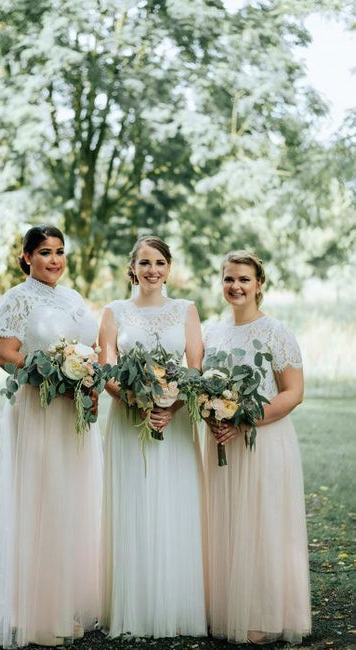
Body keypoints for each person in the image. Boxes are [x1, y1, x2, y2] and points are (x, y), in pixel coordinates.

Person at [0, 225, 102, 648]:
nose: (54, 260)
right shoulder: (17, 298)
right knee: (42, 501)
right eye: (45, 252)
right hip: (38, 408)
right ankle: (37, 614)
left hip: (73, 410)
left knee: (71, 500)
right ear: (27, 257)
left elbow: (90, 348)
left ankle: (64, 603)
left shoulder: (72, 298)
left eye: (59, 252)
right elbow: (5, 355)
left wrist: (87, 376)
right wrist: (52, 373)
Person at [98, 235, 207, 638]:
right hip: (128, 420)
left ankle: (176, 604)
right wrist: (135, 401)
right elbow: (105, 367)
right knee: (135, 503)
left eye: (159, 262)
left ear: (169, 267)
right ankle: (136, 607)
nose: (152, 270)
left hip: (176, 422)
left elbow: (195, 367)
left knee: (173, 504)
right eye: (144, 263)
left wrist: (170, 406)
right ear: (132, 268)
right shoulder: (114, 311)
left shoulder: (186, 310)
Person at [203, 250, 311, 645]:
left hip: (263, 441)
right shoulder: (211, 333)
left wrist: (242, 419)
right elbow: (202, 389)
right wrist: (212, 416)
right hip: (220, 444)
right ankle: (228, 609)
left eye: (244, 279)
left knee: (262, 525)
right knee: (226, 524)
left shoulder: (276, 333)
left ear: (259, 284)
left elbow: (293, 393)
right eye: (229, 278)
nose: (236, 286)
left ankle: (264, 613)